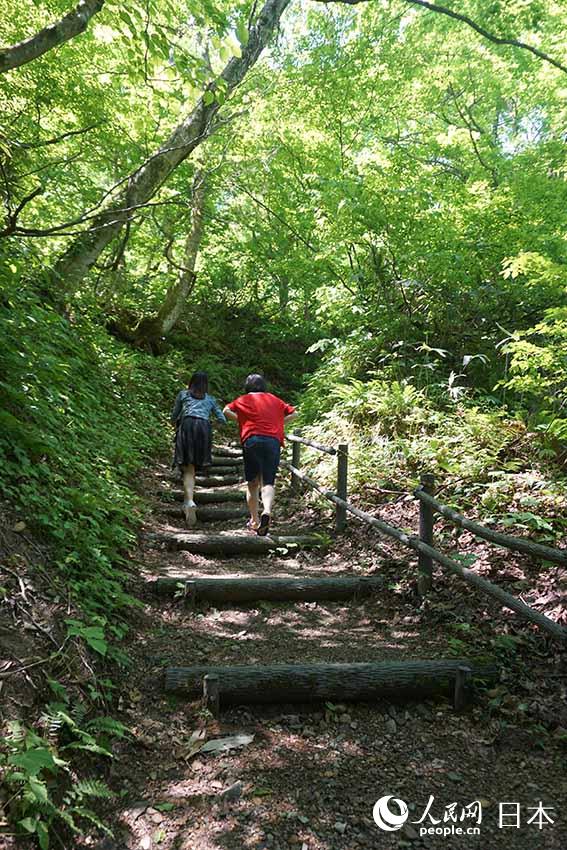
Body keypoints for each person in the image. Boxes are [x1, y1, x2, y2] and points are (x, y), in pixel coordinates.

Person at [224, 374, 297, 536]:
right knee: (268, 481)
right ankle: (268, 511)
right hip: (272, 441)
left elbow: (226, 410)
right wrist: (278, 423)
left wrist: (241, 420)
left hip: (252, 439)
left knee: (252, 482)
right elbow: (294, 413)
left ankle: (255, 520)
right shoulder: (275, 400)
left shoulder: (243, 399)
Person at [171, 371, 226, 526]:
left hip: (187, 426)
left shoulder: (183, 395)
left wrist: (174, 421)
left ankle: (189, 501)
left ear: (191, 382)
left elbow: (174, 415)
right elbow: (222, 419)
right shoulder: (210, 399)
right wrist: (211, 422)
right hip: (203, 429)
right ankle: (188, 500)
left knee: (188, 468)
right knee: (194, 466)